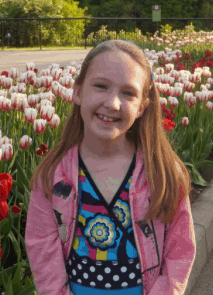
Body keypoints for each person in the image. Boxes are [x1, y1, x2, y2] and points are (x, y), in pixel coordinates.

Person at [25, 40, 195, 295]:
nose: (113, 104)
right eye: (101, 86)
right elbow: (41, 248)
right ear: (78, 91)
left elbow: (180, 252)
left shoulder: (163, 174)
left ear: (142, 107)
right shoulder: (54, 176)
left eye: (128, 93)